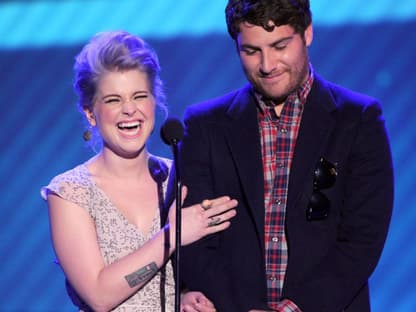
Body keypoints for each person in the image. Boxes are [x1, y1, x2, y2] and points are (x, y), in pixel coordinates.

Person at [176, 1, 394, 311]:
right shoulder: (204, 126)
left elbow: (361, 242)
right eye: (251, 51)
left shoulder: (357, 120)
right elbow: (194, 240)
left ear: (307, 33)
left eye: (279, 46)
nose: (267, 64)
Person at [41, 31, 238, 312]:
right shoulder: (70, 192)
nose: (129, 110)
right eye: (113, 100)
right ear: (90, 112)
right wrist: (172, 235)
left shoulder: (179, 176)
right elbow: (99, 295)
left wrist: (184, 296)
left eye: (139, 96)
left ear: (154, 101)